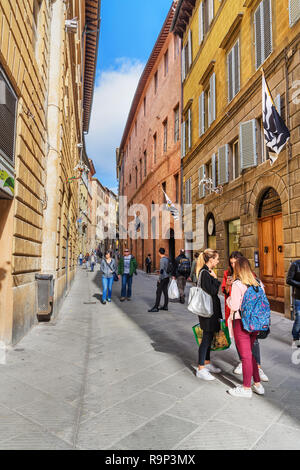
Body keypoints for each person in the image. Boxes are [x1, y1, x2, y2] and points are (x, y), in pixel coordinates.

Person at [222, 251, 269, 382]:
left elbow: (235, 305)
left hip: (240, 320)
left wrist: (229, 300)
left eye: (234, 264)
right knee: (247, 351)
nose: (232, 265)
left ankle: (247, 386)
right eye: (231, 263)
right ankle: (257, 382)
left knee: (247, 354)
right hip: (255, 320)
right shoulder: (258, 282)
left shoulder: (238, 283)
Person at [196, 249, 223, 381]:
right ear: (211, 259)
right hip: (207, 311)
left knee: (209, 336)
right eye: (217, 258)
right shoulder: (205, 273)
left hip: (210, 310)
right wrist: (216, 279)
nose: (218, 261)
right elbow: (212, 291)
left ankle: (206, 363)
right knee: (206, 338)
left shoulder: (206, 272)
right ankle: (201, 368)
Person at [148, 248, 171, 312]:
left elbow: (161, 270)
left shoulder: (162, 260)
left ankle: (156, 307)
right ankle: (165, 306)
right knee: (165, 292)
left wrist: (159, 279)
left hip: (163, 278)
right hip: (167, 277)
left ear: (159, 253)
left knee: (158, 292)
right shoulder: (167, 259)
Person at [286, 260, 300, 349]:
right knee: (299, 319)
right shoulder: (296, 264)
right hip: (298, 297)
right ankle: (295, 339)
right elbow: (289, 280)